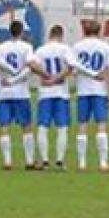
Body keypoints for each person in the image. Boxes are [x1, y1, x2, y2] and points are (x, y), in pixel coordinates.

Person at [72, 20, 109, 172]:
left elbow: (74, 69)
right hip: (99, 91)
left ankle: (82, 163)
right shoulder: (105, 47)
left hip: (83, 91)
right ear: (99, 31)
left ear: (84, 31)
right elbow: (108, 72)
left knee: (82, 126)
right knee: (101, 126)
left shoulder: (77, 47)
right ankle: (103, 163)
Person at [0, 20, 36, 170]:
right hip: (21, 92)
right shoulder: (27, 47)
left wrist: (6, 79)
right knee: (26, 126)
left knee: (4, 126)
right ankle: (29, 161)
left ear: (9, 31)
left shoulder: (0, 48)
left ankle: (7, 161)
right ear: (22, 32)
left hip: (3, 92)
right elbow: (30, 67)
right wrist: (15, 79)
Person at [31, 25, 74, 170]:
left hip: (45, 93)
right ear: (61, 35)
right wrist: (57, 78)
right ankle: (60, 160)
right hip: (61, 93)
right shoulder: (65, 49)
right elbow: (70, 66)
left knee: (43, 126)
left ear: (49, 35)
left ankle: (44, 160)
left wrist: (45, 75)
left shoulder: (41, 50)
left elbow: (32, 65)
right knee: (62, 127)